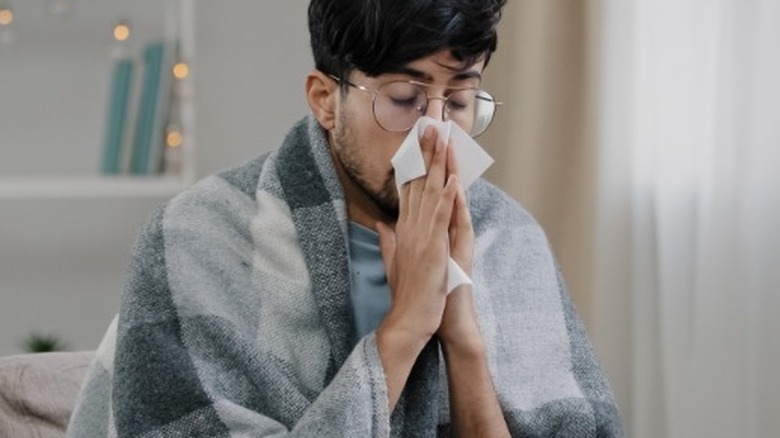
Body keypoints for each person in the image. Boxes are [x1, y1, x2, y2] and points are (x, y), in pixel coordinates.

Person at [68, 0, 622, 436]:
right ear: (325, 99)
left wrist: (462, 335)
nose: (435, 138)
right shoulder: (199, 239)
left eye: (458, 103)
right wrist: (406, 326)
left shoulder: (510, 236)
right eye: (404, 98)